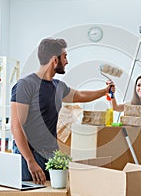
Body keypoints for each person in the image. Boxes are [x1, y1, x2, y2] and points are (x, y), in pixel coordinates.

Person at [10, 38, 112, 185]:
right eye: (65, 56)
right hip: (29, 157)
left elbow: (80, 95)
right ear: (54, 60)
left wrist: (104, 91)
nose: (67, 61)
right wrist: (30, 161)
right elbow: (16, 126)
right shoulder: (25, 85)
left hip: (52, 156)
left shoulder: (58, 86)